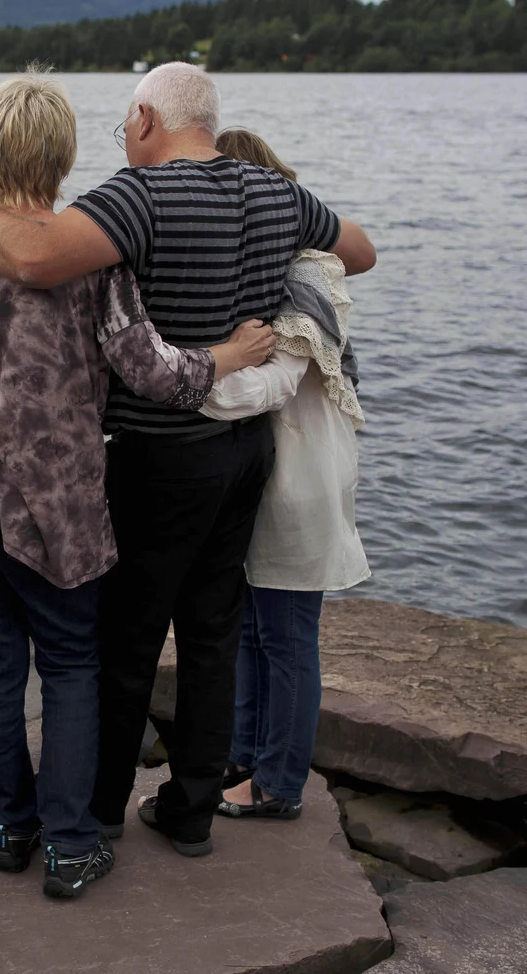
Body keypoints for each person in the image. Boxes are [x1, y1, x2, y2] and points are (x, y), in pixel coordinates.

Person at [0, 62, 376, 856]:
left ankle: (79, 816)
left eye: (124, 128)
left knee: (118, 644)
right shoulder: (279, 194)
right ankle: (192, 808)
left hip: (139, 458)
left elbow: (33, 258)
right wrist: (254, 334)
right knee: (212, 632)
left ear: (144, 120)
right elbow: (361, 251)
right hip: (241, 452)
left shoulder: (127, 201)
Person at [204, 127, 374, 821]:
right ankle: (243, 760)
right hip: (268, 475)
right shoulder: (260, 271)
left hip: (298, 478)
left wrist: (189, 382)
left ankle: (279, 783)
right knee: (252, 630)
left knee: (288, 635)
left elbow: (276, 382)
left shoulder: (307, 274)